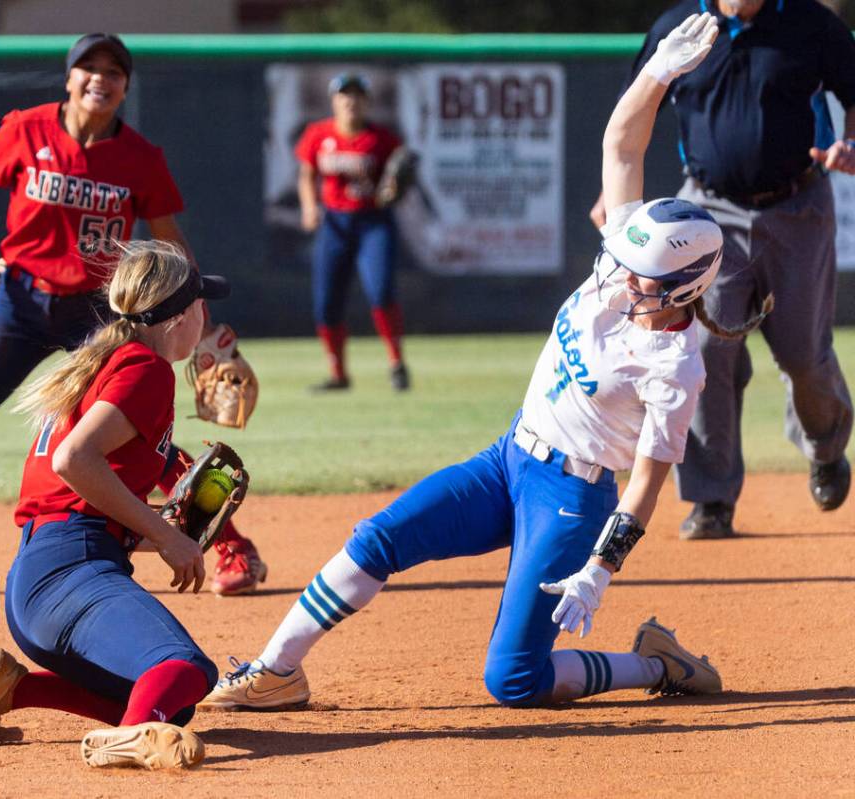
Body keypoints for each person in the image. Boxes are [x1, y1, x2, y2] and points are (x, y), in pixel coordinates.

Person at [201, 14, 765, 713]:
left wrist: (600, 568)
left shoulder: (676, 366)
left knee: (516, 680)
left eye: (640, 275)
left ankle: (653, 665)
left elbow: (646, 484)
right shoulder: (621, 263)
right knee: (379, 537)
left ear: (684, 286)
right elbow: (622, 142)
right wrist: (660, 73)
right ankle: (277, 668)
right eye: (621, 261)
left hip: (572, 499)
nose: (619, 276)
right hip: (508, 459)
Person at [0, 32, 267, 597]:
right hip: (20, 301)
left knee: (143, 432)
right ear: (68, 78)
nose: (101, 79)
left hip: (97, 310)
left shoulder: (140, 157)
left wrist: (197, 315)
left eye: (115, 71)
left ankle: (232, 544)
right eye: (89, 67)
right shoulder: (26, 129)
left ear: (125, 87)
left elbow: (168, 238)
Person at [0, 240, 223, 770]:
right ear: (180, 316)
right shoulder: (146, 370)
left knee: (170, 709)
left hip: (41, 576)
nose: (208, 315)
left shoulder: (105, 357)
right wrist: (165, 535)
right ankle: (129, 740)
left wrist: (162, 520)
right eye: (204, 304)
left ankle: (4, 691)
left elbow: (93, 475)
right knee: (186, 670)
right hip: (73, 566)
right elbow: (74, 460)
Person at [591, 0, 855, 539]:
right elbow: (638, 104)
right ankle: (711, 498)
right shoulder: (680, 27)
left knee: (804, 355)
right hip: (707, 212)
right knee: (706, 351)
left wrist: (849, 138)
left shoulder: (810, 22)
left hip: (798, 205)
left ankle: (825, 447)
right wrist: (609, 186)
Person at [296, 72, 411, 392]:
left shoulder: (381, 139)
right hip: (335, 224)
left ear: (367, 102)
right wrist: (309, 207)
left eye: (357, 95)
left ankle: (397, 363)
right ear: (334, 101)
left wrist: (393, 188)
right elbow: (307, 175)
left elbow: (401, 177)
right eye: (344, 95)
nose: (351, 101)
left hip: (373, 222)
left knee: (381, 291)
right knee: (326, 302)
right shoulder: (318, 134)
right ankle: (338, 374)